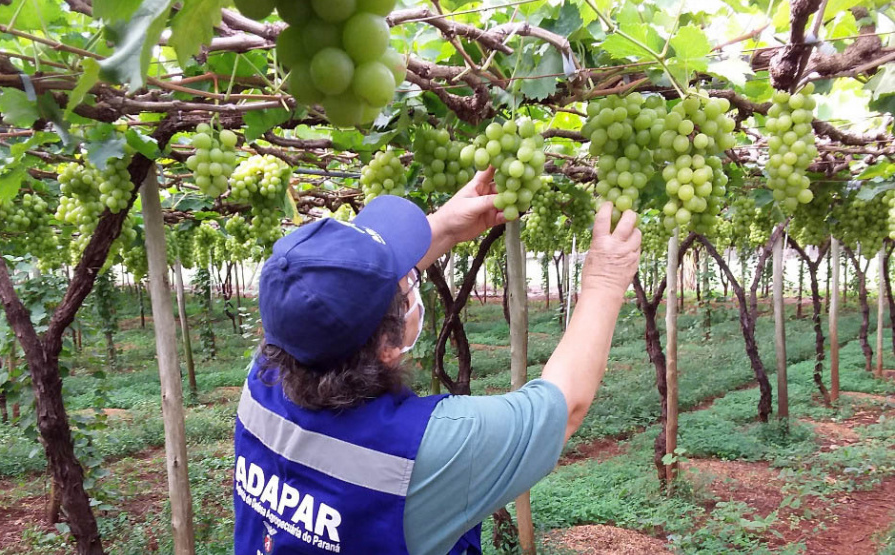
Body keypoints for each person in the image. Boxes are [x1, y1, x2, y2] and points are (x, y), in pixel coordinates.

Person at [233, 169, 642, 555]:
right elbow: (564, 404)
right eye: (408, 283)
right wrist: (605, 280)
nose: (414, 279)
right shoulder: (429, 452)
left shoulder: (263, 377)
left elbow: (328, 302)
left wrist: (445, 225)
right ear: (389, 345)